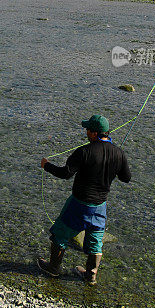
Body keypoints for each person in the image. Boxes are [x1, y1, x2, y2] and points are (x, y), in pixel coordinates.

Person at [37, 114, 131, 284]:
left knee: (60, 234)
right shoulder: (119, 153)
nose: (86, 132)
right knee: (95, 242)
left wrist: (46, 165)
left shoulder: (84, 151)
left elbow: (65, 174)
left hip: (79, 204)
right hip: (100, 206)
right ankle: (90, 276)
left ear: (95, 133)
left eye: (88, 129)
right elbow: (126, 178)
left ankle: (53, 269)